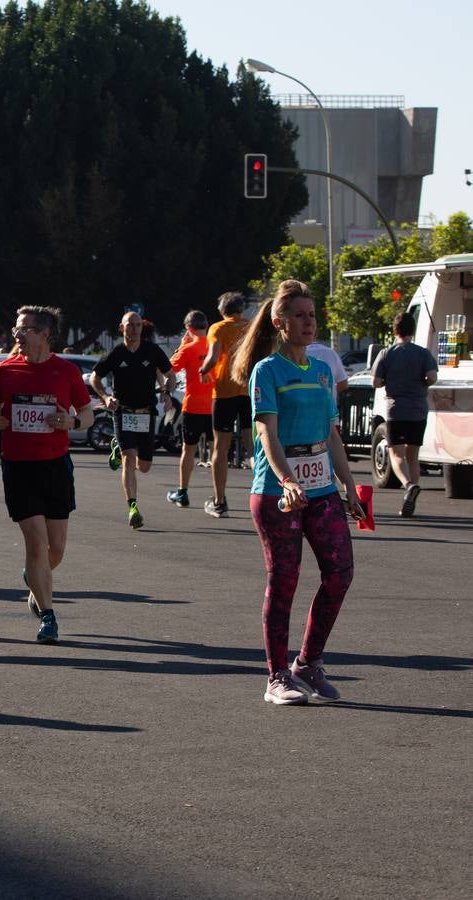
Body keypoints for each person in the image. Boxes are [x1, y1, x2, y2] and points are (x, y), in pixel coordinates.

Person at [231, 279, 363, 705]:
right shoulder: (266, 371)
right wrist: (287, 479)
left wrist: (349, 487)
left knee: (340, 573)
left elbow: (331, 435)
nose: (310, 322)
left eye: (312, 315)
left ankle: (307, 663)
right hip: (276, 491)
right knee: (284, 579)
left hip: (322, 488)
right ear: (279, 322)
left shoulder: (323, 370)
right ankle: (277, 677)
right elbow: (266, 433)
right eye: (300, 316)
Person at [0, 306, 94, 643]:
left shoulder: (66, 371)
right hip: (18, 465)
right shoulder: (7, 369)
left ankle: (35, 578)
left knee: (56, 548)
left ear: (44, 334)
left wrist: (72, 423)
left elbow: (87, 414)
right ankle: (48, 615)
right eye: (17, 328)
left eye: (25, 329)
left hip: (55, 465)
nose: (18, 334)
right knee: (36, 541)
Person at [90, 310, 172, 529]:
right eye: (130, 325)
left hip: (146, 412)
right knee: (129, 459)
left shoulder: (152, 351)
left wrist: (167, 392)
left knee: (143, 466)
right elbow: (94, 376)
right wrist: (106, 396)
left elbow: (170, 374)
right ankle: (132, 507)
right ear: (122, 328)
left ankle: (116, 445)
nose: (134, 329)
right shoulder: (116, 353)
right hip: (123, 411)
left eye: (137, 325)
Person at [372, 310, 439, 517]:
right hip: (418, 409)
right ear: (412, 329)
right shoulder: (423, 353)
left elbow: (375, 382)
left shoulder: (386, 353)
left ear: (395, 330)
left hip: (396, 409)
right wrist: (421, 382)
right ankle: (410, 497)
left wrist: (386, 381)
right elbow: (432, 377)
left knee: (396, 454)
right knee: (413, 456)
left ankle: (409, 485)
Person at [199, 291, 253, 517]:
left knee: (221, 447)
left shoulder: (218, 328)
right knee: (253, 446)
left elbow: (213, 356)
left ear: (222, 311)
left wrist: (203, 370)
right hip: (248, 389)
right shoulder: (251, 327)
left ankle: (220, 501)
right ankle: (268, 493)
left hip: (223, 391)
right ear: (241, 309)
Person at [166, 310, 213, 507]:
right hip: (215, 404)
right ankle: (218, 494)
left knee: (188, 449)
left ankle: (183, 491)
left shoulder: (188, 348)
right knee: (216, 450)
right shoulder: (215, 344)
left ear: (188, 328)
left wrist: (182, 346)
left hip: (193, 404)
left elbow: (169, 368)